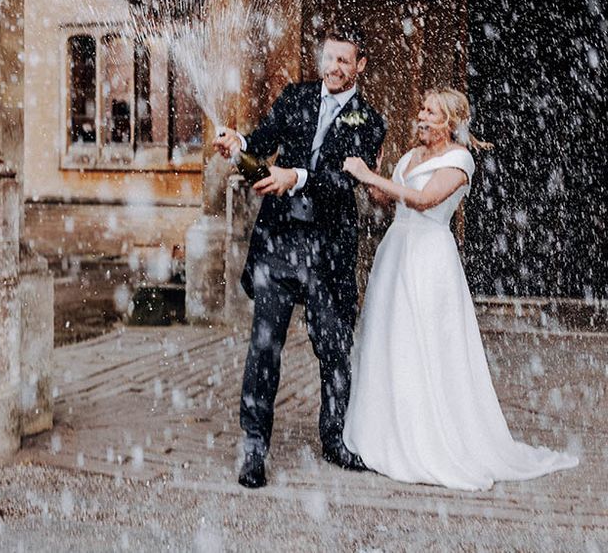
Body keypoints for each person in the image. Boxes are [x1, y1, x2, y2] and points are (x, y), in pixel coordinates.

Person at [341, 88, 579, 491]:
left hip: (429, 258)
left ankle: (433, 437)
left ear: (449, 122)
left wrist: (371, 175)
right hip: (395, 253)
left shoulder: (460, 160)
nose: (420, 115)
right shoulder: (409, 156)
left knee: (428, 344)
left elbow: (423, 199)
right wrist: (371, 180)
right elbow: (388, 201)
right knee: (390, 340)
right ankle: (387, 431)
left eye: (430, 111)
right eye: (421, 108)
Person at [214, 24, 386, 488]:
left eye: (344, 61)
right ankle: (254, 446)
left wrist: (298, 176)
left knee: (333, 350)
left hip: (328, 251)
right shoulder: (295, 96)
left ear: (360, 66)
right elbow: (264, 136)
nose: (333, 68)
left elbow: (343, 180)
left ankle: (335, 438)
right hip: (279, 244)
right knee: (264, 347)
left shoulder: (370, 122)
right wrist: (241, 144)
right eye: (329, 59)